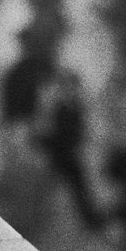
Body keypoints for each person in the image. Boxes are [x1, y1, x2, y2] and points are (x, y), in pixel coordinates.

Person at [36, 67, 103, 228]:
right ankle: (91, 218)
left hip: (66, 154)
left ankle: (91, 218)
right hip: (60, 154)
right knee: (74, 183)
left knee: (78, 184)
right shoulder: (61, 108)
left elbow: (79, 133)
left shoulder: (73, 108)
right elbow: (55, 132)